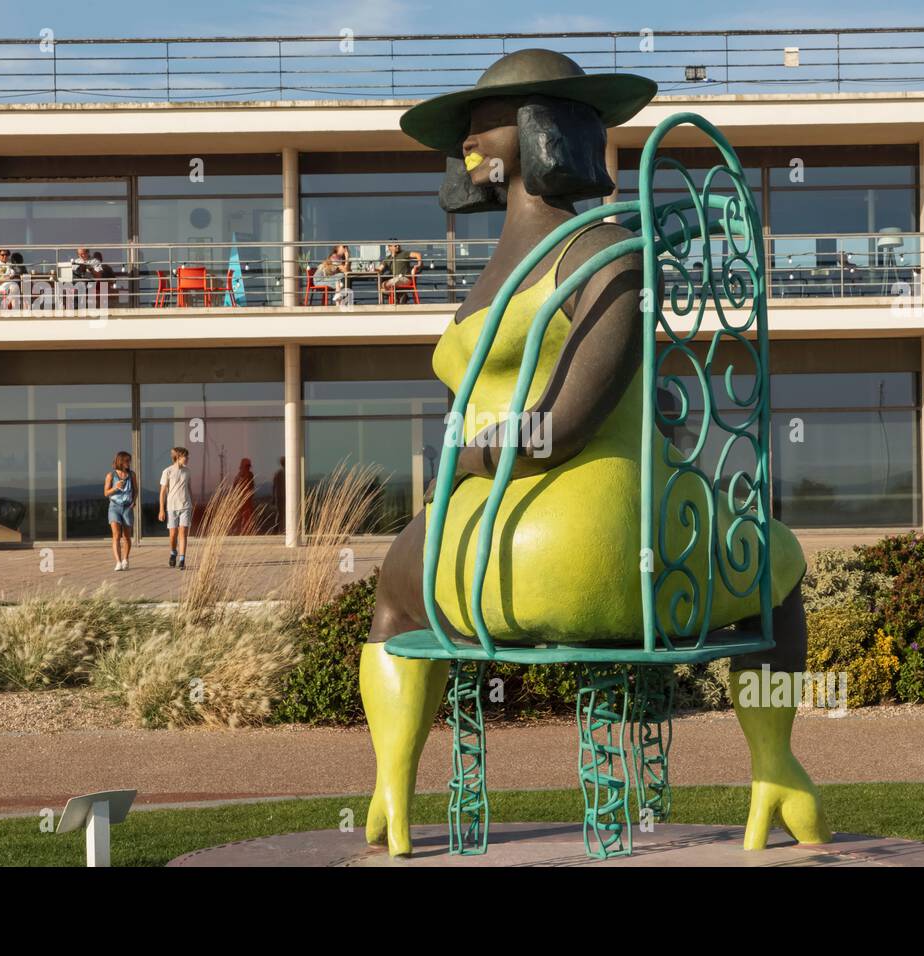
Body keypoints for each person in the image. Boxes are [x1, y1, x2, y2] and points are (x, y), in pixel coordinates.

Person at [359, 49, 827, 857]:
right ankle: (775, 761)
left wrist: (466, 460)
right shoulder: (601, 251)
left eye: (484, 123)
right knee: (775, 562)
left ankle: (392, 788)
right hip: (617, 555)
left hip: (501, 554)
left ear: (538, 130)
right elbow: (569, 421)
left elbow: (560, 427)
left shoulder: (585, 255)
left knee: (393, 601)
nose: (468, 141)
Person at [158, 446, 192, 570]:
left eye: (187, 456)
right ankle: (173, 552)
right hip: (172, 507)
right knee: (173, 534)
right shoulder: (167, 471)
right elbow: (162, 492)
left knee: (183, 533)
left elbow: (189, 488)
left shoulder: (188, 471)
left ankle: (182, 559)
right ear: (178, 457)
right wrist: (161, 509)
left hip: (186, 506)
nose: (187, 458)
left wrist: (192, 502)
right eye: (185, 456)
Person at [104, 451, 136, 571]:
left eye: (129, 461)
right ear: (120, 461)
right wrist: (115, 487)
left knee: (126, 536)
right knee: (116, 535)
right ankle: (118, 562)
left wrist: (134, 501)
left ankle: (125, 559)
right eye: (127, 461)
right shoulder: (111, 475)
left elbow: (135, 489)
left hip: (127, 507)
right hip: (114, 507)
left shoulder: (132, 475)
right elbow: (106, 493)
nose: (129, 463)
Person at [231, 457, 256, 535]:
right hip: (244, 500)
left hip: (243, 500)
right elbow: (251, 487)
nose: (248, 468)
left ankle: (243, 531)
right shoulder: (248, 475)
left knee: (244, 516)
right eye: (247, 466)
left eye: (248, 466)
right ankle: (244, 531)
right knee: (244, 516)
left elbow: (234, 488)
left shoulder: (239, 476)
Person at [271, 457, 285, 534]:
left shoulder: (278, 473)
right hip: (281, 497)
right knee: (281, 514)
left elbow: (274, 486)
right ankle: (277, 529)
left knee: (281, 514)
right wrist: (273, 497)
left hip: (280, 497)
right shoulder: (280, 473)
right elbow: (274, 486)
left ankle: (279, 529)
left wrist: (273, 497)